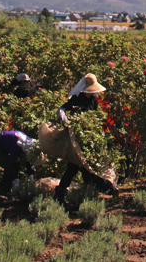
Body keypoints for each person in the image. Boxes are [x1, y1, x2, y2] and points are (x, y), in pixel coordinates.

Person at [53, 73, 119, 203]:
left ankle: (89, 190)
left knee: (86, 166)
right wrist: (66, 121)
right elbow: (62, 109)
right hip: (77, 137)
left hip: (89, 136)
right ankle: (61, 193)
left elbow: (95, 116)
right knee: (75, 166)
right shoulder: (77, 100)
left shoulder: (94, 99)